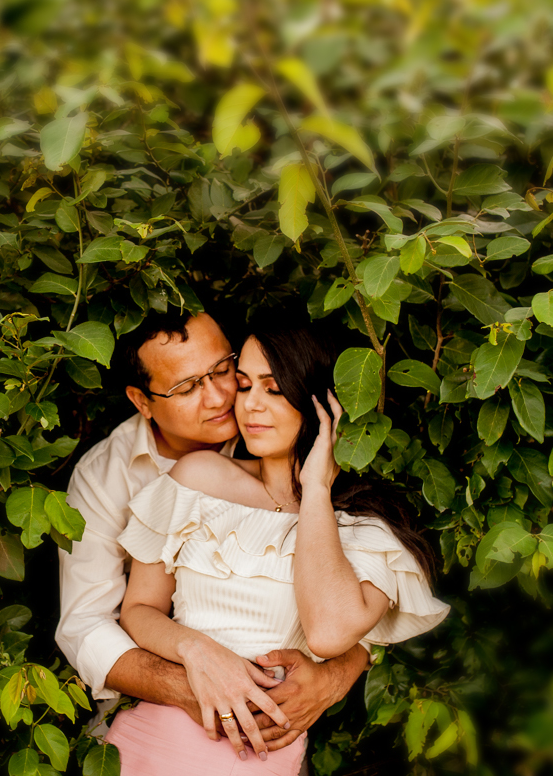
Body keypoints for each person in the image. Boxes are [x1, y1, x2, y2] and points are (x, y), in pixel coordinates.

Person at [104, 320, 450, 775]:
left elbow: (328, 634)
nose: (249, 406)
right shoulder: (198, 479)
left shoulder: (368, 528)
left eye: (274, 389)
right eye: (244, 386)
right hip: (147, 745)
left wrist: (315, 491)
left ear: (325, 400)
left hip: (256, 762)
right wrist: (198, 651)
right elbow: (139, 609)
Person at [55, 312, 370, 759]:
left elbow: (367, 594)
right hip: (160, 721)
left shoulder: (281, 433)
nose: (223, 396)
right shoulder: (106, 478)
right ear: (141, 401)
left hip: (274, 737)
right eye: (186, 388)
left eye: (225, 371)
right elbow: (87, 624)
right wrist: (201, 675)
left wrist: (333, 678)